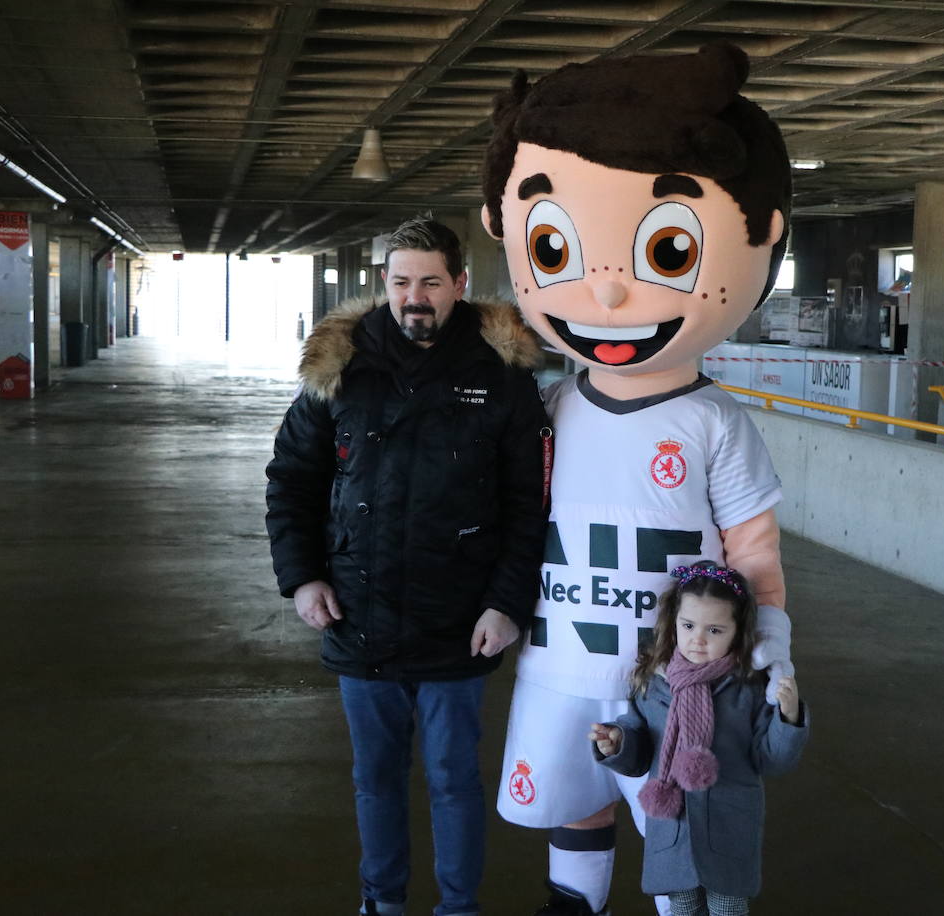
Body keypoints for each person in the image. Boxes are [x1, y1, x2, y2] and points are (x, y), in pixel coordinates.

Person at [479, 42, 797, 916]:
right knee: (571, 814)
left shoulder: (717, 421)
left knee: (675, 832)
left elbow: (754, 548)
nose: (608, 296)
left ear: (764, 237)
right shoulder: (547, 405)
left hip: (674, 680)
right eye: (555, 245)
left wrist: (768, 646)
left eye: (663, 249)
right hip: (558, 661)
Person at [264, 213, 549, 916]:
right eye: (399, 282)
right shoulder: (339, 370)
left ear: (458, 283)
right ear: (383, 284)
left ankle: (458, 907)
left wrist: (507, 603)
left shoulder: (502, 378)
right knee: (375, 779)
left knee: (454, 778)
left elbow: (528, 505)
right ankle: (382, 903)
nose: (413, 296)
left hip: (461, 622)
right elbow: (291, 478)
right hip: (359, 615)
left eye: (429, 281)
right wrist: (302, 577)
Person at [589, 563, 808, 916]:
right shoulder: (652, 680)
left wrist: (789, 716)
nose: (698, 639)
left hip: (729, 825)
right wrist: (617, 743)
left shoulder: (748, 687)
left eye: (715, 630)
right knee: (683, 906)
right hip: (673, 827)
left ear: (738, 632)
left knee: (728, 907)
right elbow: (640, 751)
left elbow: (773, 760)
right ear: (673, 621)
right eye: (688, 625)